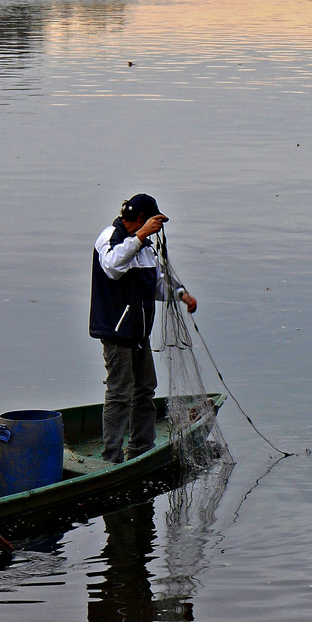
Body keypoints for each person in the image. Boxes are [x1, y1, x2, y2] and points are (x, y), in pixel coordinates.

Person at [91, 194, 197, 463]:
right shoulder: (109, 238)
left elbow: (158, 284)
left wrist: (181, 294)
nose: (157, 227)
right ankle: (111, 459)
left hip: (140, 334)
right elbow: (113, 267)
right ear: (141, 219)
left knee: (146, 388)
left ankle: (141, 449)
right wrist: (139, 238)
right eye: (155, 221)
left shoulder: (147, 248)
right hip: (117, 334)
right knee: (119, 393)